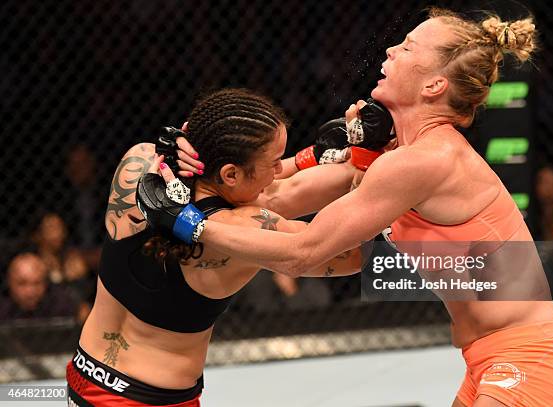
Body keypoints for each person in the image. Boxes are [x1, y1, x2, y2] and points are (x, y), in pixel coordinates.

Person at [145, 9, 553, 406]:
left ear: (433, 85)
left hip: (526, 363)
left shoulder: (424, 160)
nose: (391, 49)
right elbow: (279, 194)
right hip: (489, 360)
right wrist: (194, 163)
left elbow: (305, 252)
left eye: (408, 47)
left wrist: (185, 223)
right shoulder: (397, 155)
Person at [67, 88, 370, 406]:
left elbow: (275, 190)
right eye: (274, 162)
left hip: (86, 374)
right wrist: (377, 173)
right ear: (230, 173)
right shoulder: (245, 226)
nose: (280, 169)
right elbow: (352, 255)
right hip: (150, 401)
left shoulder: (138, 161)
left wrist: (325, 159)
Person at [0, 253, 77, 321]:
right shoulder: (2, 308)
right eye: (22, 283)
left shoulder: (62, 307)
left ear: (46, 283)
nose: (30, 292)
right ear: (9, 282)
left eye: (37, 283)